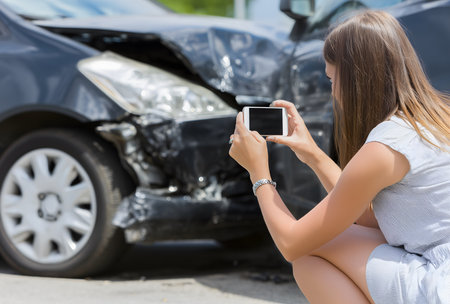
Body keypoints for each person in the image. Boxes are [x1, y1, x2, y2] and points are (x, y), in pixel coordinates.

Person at [228, 10, 450, 304]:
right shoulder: (437, 117)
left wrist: (258, 173)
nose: (333, 92)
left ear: (357, 78)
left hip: (438, 284)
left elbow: (292, 243)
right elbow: (379, 219)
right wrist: (313, 154)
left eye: (332, 79)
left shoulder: (388, 144)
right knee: (327, 240)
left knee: (309, 252)